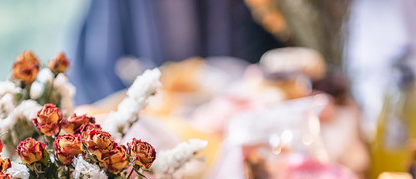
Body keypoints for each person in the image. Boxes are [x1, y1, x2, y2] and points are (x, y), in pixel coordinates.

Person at [69, 0, 282, 104]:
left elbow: (253, 54)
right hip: (138, 124)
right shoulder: (113, 8)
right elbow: (96, 76)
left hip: (221, 111)